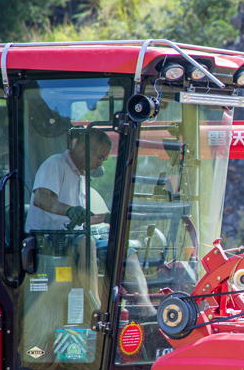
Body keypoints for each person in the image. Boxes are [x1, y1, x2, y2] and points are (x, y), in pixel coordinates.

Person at [26, 131, 153, 312]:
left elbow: (82, 218)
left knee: (124, 249)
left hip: (74, 236)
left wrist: (107, 218)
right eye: (100, 157)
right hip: (47, 238)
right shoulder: (55, 164)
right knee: (87, 242)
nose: (100, 164)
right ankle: (94, 309)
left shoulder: (81, 176)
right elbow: (41, 198)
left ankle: (146, 307)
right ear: (84, 148)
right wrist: (69, 210)